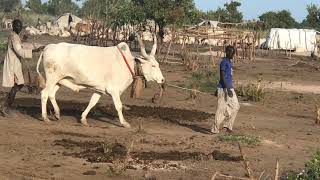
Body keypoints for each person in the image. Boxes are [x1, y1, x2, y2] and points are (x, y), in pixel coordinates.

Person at [0, 19, 44, 117]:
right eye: (17, 26)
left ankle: (5, 105)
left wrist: (23, 40)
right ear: (13, 26)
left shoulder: (14, 36)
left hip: (14, 63)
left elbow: (18, 47)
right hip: (13, 64)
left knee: (17, 85)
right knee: (17, 86)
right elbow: (19, 51)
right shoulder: (14, 37)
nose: (19, 28)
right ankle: (5, 107)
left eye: (20, 26)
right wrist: (34, 50)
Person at [211, 45, 240, 134]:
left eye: (233, 53)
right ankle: (215, 129)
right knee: (221, 110)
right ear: (227, 52)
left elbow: (226, 76)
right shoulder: (224, 62)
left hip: (229, 88)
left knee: (236, 107)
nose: (233, 54)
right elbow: (222, 76)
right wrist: (227, 88)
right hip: (224, 89)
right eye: (232, 52)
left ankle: (227, 125)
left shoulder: (229, 62)